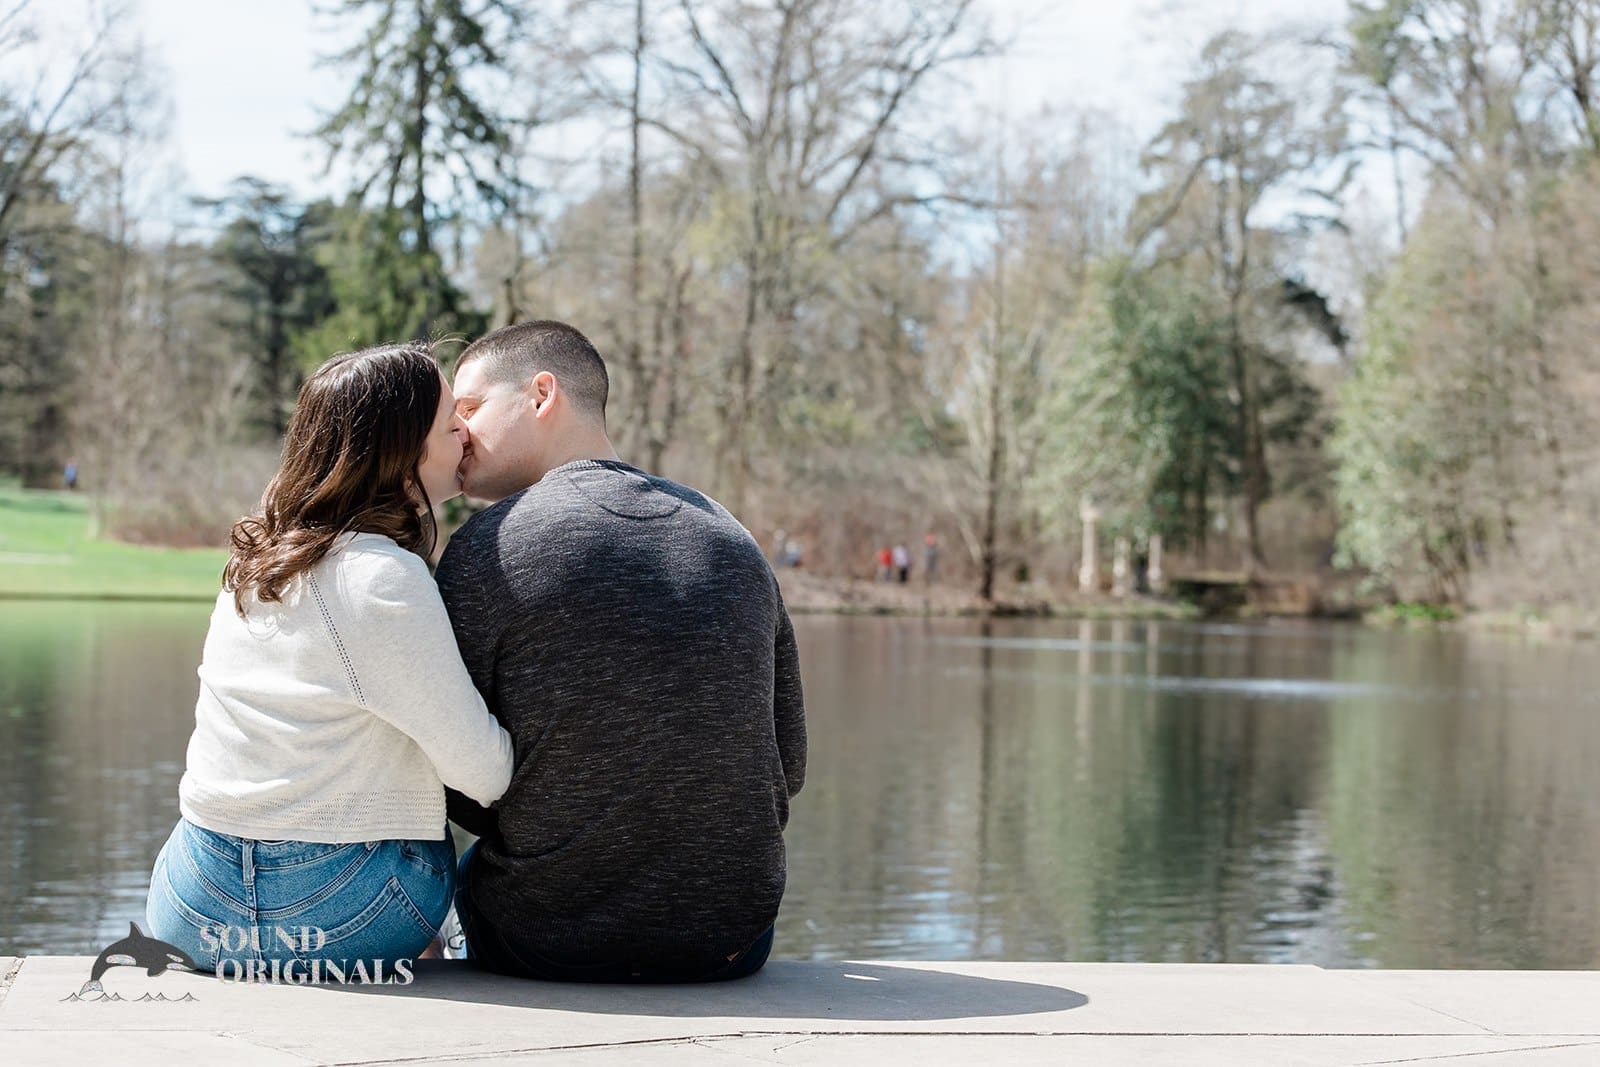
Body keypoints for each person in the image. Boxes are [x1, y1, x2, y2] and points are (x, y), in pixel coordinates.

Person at [440, 319, 806, 983]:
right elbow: (789, 762)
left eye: (469, 409)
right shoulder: (733, 537)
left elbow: (454, 786)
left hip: (545, 939)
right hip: (730, 940)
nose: (457, 434)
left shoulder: (487, 547)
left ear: (541, 393)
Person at [144, 343, 514, 976]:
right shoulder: (380, 578)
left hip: (192, 904)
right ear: (400, 455)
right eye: (451, 421)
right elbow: (484, 775)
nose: (466, 435)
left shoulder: (257, 563)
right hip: (339, 916)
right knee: (474, 863)